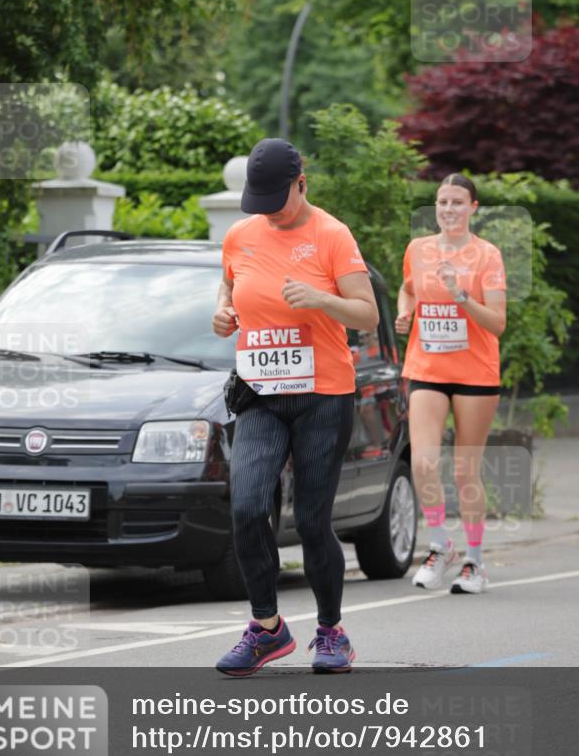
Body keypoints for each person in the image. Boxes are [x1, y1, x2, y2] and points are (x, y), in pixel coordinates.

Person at [212, 138, 379, 676]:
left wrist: (322, 300)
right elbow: (229, 285)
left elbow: (367, 315)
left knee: (311, 519)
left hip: (322, 395)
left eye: (275, 199)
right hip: (260, 391)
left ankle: (331, 631)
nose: (265, 211)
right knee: (246, 505)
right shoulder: (240, 234)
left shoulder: (331, 235)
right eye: (256, 200)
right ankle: (266, 629)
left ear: (301, 183)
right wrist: (222, 311)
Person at [395, 174, 507, 594]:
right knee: (423, 462)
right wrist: (405, 313)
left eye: (458, 202)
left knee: (464, 471)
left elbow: (497, 323)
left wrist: (460, 295)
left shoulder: (487, 256)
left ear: (473, 207)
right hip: (426, 368)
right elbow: (407, 290)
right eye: (442, 202)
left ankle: (475, 562)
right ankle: (441, 546)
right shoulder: (418, 250)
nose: (448, 209)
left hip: (475, 372)